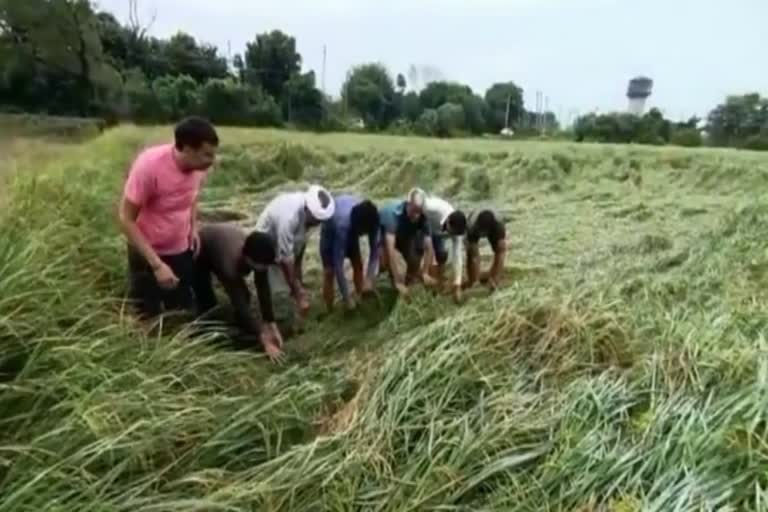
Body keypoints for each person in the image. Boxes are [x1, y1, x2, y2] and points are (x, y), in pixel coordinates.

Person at [118, 116, 219, 319]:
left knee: (180, 310)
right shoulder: (149, 167)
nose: (212, 161)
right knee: (146, 314)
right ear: (188, 149)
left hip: (180, 248)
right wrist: (156, 264)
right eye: (206, 155)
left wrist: (193, 226)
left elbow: (192, 196)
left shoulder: (199, 168)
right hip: (148, 252)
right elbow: (126, 218)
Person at [193, 223, 285, 363]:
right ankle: (205, 334)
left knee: (246, 296)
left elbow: (263, 287)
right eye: (259, 267)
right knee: (208, 303)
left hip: (225, 238)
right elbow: (240, 303)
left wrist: (270, 322)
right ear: (247, 258)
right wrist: (263, 338)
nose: (262, 270)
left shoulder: (259, 255)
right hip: (201, 250)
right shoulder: (229, 266)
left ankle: (244, 326)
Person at [255, 184, 335, 317]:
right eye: (317, 220)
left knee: (292, 282)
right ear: (308, 210)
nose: (319, 223)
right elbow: (285, 259)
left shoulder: (308, 215)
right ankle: (281, 322)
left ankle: (293, 298)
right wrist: (298, 292)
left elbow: (299, 247)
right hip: (266, 249)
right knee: (280, 295)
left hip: (284, 248)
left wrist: (298, 280)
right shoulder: (289, 218)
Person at [320, 195, 380, 311]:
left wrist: (369, 279)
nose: (362, 236)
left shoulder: (373, 221)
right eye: (361, 233)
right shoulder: (343, 226)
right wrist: (346, 298)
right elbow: (339, 267)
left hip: (350, 228)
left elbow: (374, 252)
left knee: (358, 264)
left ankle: (361, 297)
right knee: (329, 272)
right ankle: (330, 309)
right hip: (329, 236)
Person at [378, 187, 436, 299]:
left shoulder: (423, 216)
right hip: (386, 235)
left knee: (414, 261)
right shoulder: (392, 215)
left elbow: (429, 247)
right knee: (384, 263)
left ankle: (408, 286)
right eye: (413, 211)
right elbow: (391, 251)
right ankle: (387, 282)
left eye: (419, 212)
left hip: (406, 235)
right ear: (408, 204)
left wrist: (425, 272)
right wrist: (397, 281)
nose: (416, 215)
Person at [423, 195, 468, 303]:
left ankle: (439, 282)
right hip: (422, 229)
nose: (453, 235)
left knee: (442, 255)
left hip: (437, 234)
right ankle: (428, 285)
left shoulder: (457, 230)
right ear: (448, 222)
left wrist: (457, 284)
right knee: (428, 259)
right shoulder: (431, 207)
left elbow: (457, 255)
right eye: (452, 232)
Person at [464, 208, 507, 291]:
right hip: (474, 227)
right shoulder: (471, 224)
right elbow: (473, 255)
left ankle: (494, 280)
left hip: (494, 225)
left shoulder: (499, 224)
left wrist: (495, 279)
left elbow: (501, 250)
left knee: (500, 249)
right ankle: (474, 282)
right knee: (472, 252)